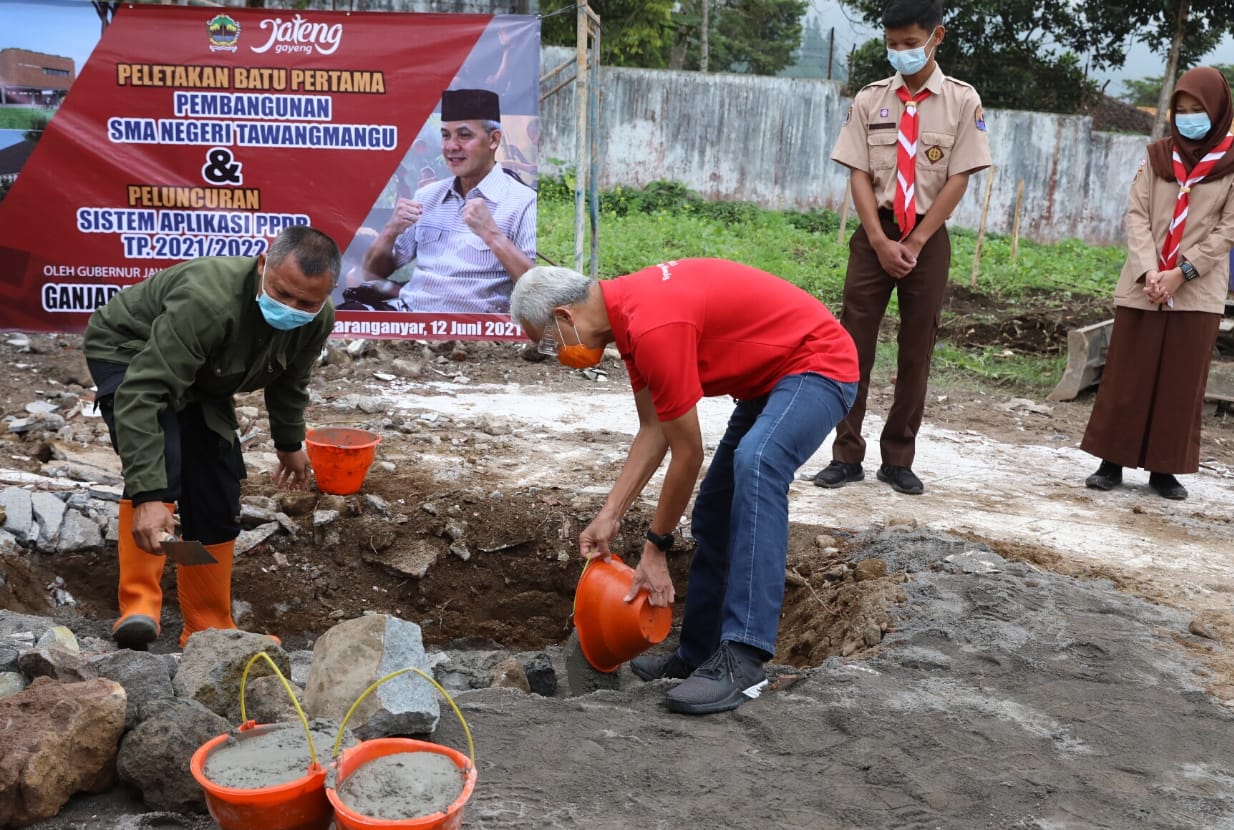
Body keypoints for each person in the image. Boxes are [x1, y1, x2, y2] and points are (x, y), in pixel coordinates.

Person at [510, 259, 859, 715]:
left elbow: (688, 453)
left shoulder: (653, 324)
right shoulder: (627, 319)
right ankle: (699, 653)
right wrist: (609, 514)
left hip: (819, 364)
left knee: (757, 462)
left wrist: (655, 547)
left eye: (550, 341)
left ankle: (744, 658)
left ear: (564, 315)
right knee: (714, 507)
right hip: (770, 379)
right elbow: (654, 430)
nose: (557, 353)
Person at [83, 225, 340, 650]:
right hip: (131, 351)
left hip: (205, 371)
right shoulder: (207, 300)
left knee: (217, 485)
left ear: (328, 293)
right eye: (281, 293)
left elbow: (291, 379)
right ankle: (139, 605)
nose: (291, 308)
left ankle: (207, 625)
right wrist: (150, 496)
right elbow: (146, 391)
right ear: (263, 265)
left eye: (307, 303)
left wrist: (289, 443)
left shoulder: (318, 319)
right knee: (162, 461)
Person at [813, 0, 990, 496]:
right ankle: (846, 454)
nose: (900, 52)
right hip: (875, 233)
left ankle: (898, 458)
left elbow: (959, 178)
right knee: (852, 345)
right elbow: (858, 173)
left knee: (916, 349)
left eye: (911, 43)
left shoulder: (962, 100)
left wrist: (914, 240)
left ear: (937, 37)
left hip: (926, 239)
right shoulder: (871, 99)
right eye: (892, 44)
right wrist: (878, 239)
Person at [1081, 67, 1234, 500]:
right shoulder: (1157, 155)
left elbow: (1233, 229)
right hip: (1143, 285)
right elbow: (1137, 214)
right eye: (1181, 109)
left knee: (1181, 381)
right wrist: (1149, 271)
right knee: (1127, 374)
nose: (1188, 117)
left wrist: (1182, 273)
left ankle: (1165, 469)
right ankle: (1111, 461)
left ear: (1217, 109)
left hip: (1197, 290)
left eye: (1197, 108)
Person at [361, 88, 536, 313]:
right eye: (446, 135)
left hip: (477, 329)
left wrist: (492, 234)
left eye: (464, 135)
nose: (451, 146)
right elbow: (372, 273)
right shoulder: (427, 196)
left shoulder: (523, 201)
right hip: (410, 321)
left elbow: (536, 290)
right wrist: (391, 230)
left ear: (493, 140)